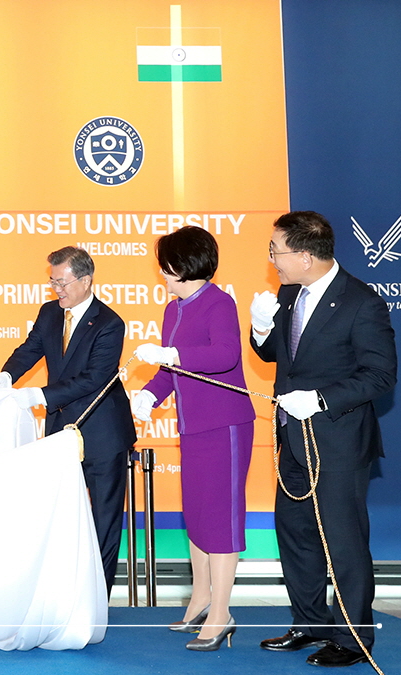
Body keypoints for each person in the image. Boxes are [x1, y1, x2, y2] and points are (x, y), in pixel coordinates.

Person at [251, 211, 395, 668]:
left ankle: (353, 638)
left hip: (337, 441)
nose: (272, 258)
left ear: (307, 256)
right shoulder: (290, 291)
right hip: (292, 438)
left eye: (277, 251)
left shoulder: (360, 301)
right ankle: (310, 622)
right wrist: (259, 331)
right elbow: (280, 354)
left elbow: (381, 375)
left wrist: (321, 399)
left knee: (344, 541)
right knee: (295, 535)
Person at [129, 227, 254, 651]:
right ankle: (200, 596)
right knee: (198, 513)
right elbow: (171, 369)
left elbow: (225, 356)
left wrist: (172, 356)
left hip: (225, 425)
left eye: (166, 267)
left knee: (220, 517)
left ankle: (222, 611)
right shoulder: (172, 309)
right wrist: (149, 393)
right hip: (194, 426)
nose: (162, 274)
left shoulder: (219, 303)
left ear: (184, 265)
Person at [0, 246, 134, 597]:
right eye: (52, 282)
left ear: (85, 281)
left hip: (102, 433)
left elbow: (94, 378)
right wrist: (7, 376)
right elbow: (31, 348)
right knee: (62, 515)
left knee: (103, 522)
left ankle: (96, 600)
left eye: (62, 283)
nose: (57, 290)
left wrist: (40, 396)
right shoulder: (50, 313)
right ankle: (62, 595)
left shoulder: (109, 323)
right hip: (62, 432)